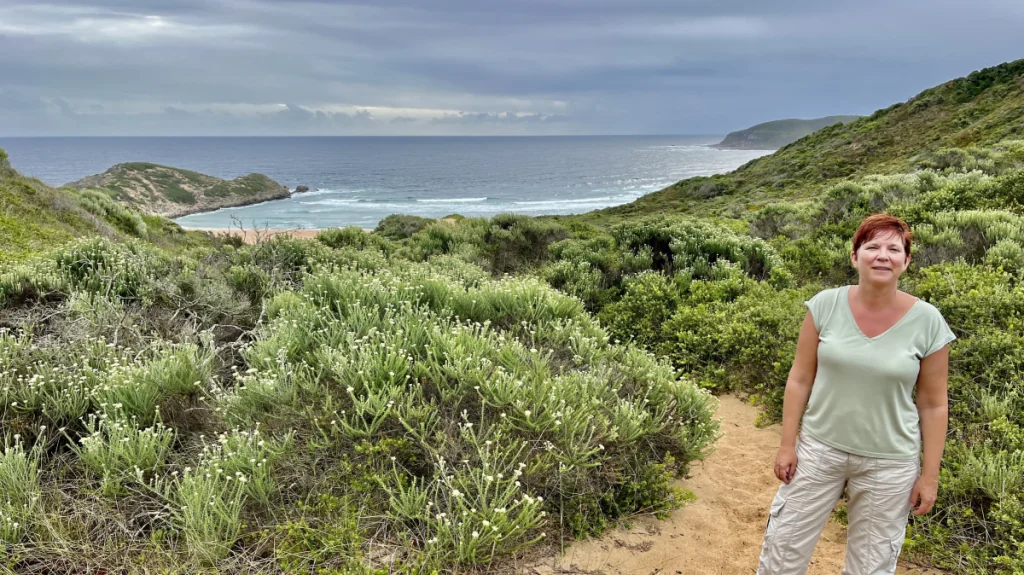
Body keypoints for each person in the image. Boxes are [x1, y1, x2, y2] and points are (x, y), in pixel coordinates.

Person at [757, 214, 956, 575]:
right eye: (872, 247)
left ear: (906, 261)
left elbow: (933, 403)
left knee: (871, 567)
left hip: (890, 464)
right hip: (818, 451)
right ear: (855, 256)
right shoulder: (825, 306)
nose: (883, 255)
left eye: (894, 249)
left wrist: (930, 476)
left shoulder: (929, 321)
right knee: (782, 551)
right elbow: (800, 378)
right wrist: (788, 444)